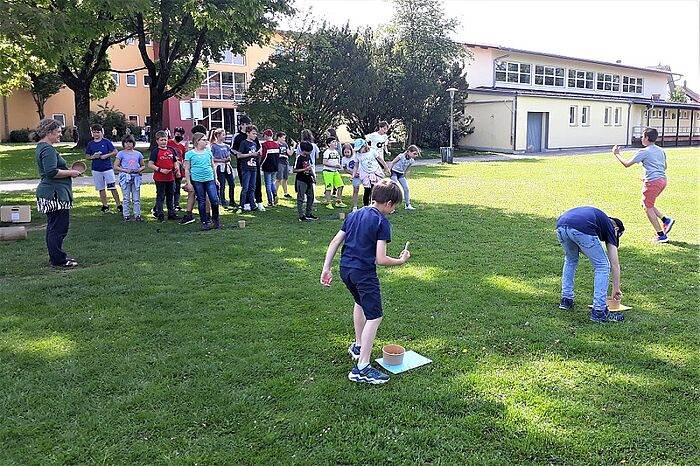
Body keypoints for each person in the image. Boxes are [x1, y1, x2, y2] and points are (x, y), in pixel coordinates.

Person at [320, 180, 411, 384]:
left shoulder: (354, 215)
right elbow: (381, 259)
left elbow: (335, 241)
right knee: (375, 316)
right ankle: (362, 368)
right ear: (388, 203)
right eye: (394, 206)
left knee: (360, 303)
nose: (393, 209)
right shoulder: (381, 222)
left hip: (346, 270)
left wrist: (326, 268)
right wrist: (401, 260)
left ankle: (359, 346)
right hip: (364, 273)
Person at [556, 206, 625, 323]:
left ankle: (566, 300)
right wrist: (616, 289)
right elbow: (615, 264)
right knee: (602, 265)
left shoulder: (600, 220)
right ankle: (599, 311)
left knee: (571, 259)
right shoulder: (610, 227)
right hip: (581, 227)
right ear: (617, 229)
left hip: (561, 225)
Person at [613, 127, 675, 243]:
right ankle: (666, 220)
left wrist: (617, 154)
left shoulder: (644, 152)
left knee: (648, 207)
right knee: (645, 203)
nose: (641, 138)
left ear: (646, 138)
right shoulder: (661, 150)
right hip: (662, 180)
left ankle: (661, 235)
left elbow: (627, 164)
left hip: (653, 182)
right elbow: (664, 167)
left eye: (642, 136)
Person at [34, 119, 81, 267]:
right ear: (48, 132)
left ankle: (56, 257)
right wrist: (71, 172)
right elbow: (51, 172)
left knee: (54, 227)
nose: (60, 135)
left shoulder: (42, 147)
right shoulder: (47, 149)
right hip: (54, 194)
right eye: (58, 132)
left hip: (52, 192)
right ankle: (59, 260)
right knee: (58, 228)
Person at [184, 132, 221, 230]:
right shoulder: (190, 154)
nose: (206, 142)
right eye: (204, 140)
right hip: (197, 181)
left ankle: (216, 220)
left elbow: (213, 166)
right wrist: (189, 183)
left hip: (209, 179)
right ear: (197, 141)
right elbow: (187, 169)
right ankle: (204, 222)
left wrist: (216, 179)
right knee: (201, 200)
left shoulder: (208, 152)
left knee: (214, 199)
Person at [86, 124, 122, 214]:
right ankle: (105, 205)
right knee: (101, 188)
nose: (96, 134)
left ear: (102, 132)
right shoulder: (90, 144)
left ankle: (119, 205)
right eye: (94, 132)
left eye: (98, 132)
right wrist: (93, 156)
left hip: (107, 168)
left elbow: (115, 151)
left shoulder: (106, 142)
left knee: (112, 187)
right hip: (96, 169)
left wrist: (106, 155)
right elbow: (87, 156)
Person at [148, 130, 180, 222]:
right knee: (161, 196)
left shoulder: (171, 150)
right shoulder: (155, 151)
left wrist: (176, 168)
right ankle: (160, 213)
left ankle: (171, 213)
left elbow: (175, 161)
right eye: (161, 140)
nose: (163, 142)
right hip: (160, 178)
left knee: (171, 196)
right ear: (157, 141)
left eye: (165, 140)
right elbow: (150, 164)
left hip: (170, 177)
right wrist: (160, 170)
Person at [114, 134, 145, 222]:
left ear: (133, 143)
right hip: (125, 178)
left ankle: (137, 215)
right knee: (126, 198)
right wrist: (125, 170)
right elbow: (116, 166)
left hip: (136, 177)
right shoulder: (121, 154)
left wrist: (139, 169)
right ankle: (126, 215)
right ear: (123, 144)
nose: (128, 144)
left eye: (130, 142)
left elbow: (143, 165)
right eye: (126, 143)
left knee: (136, 198)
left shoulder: (138, 154)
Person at [352, 138, 389, 207]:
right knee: (367, 190)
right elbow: (356, 166)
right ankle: (366, 207)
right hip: (365, 173)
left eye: (360, 149)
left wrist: (387, 168)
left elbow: (380, 160)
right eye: (358, 149)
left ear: (364, 146)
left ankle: (375, 205)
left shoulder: (372, 151)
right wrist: (353, 175)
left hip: (375, 171)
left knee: (375, 189)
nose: (359, 151)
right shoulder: (357, 154)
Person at [210, 128, 236, 209]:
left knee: (232, 183)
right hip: (219, 167)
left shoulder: (226, 146)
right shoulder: (213, 146)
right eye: (223, 135)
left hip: (227, 166)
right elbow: (212, 158)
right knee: (222, 184)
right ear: (217, 135)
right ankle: (222, 200)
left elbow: (228, 155)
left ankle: (232, 200)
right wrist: (220, 160)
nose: (224, 136)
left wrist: (228, 158)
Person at [237, 124, 261, 212]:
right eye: (253, 133)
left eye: (256, 134)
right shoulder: (243, 143)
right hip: (246, 168)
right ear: (248, 133)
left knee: (252, 188)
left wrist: (258, 156)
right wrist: (251, 154)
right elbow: (239, 155)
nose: (255, 135)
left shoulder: (254, 143)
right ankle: (241, 205)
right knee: (245, 188)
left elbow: (255, 155)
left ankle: (253, 205)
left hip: (253, 168)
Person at [388, 145, 420, 210]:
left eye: (416, 154)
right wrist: (389, 171)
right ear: (408, 152)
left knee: (406, 188)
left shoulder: (411, 161)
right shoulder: (401, 156)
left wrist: (405, 176)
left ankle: (407, 205)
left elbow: (407, 169)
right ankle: (391, 206)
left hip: (401, 173)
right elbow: (392, 163)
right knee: (395, 188)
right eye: (414, 153)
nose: (415, 155)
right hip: (394, 171)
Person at [294, 141, 318, 222]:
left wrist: (313, 176)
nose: (310, 152)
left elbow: (310, 167)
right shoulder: (299, 158)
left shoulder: (308, 157)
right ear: (303, 150)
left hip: (309, 180)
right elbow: (294, 170)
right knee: (300, 198)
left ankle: (309, 213)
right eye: (309, 151)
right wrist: (304, 169)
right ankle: (301, 215)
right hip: (301, 180)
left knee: (311, 197)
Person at [295, 129, 320, 204]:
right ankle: (313, 197)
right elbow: (317, 156)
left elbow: (297, 155)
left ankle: (304, 197)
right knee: (312, 181)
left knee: (303, 181)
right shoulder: (314, 145)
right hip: (311, 165)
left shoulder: (300, 145)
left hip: (302, 166)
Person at [322, 137, 346, 209]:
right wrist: (333, 165)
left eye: (335, 141)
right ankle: (328, 203)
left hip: (335, 171)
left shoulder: (336, 152)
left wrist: (338, 165)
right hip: (328, 172)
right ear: (329, 144)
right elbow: (324, 162)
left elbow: (337, 161)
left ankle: (338, 201)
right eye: (333, 142)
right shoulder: (327, 152)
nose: (335, 143)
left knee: (340, 185)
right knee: (329, 187)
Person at [168, 127, 187, 211]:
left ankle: (176, 204)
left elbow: (184, 158)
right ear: (174, 134)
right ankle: (170, 205)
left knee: (177, 187)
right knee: (172, 188)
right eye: (178, 134)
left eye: (181, 135)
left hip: (179, 169)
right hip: (171, 168)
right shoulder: (169, 143)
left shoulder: (182, 146)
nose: (179, 136)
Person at [260, 128, 280, 207]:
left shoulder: (265, 145)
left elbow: (264, 156)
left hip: (267, 166)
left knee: (267, 184)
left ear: (266, 136)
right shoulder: (276, 144)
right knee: (272, 182)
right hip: (275, 166)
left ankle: (270, 201)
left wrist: (260, 164)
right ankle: (275, 195)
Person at [341, 143, 361, 211]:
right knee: (356, 189)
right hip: (354, 175)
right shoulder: (344, 159)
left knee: (368, 188)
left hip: (362, 173)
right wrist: (353, 174)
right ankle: (355, 206)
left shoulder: (356, 156)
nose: (347, 154)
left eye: (348, 152)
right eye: (345, 152)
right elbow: (345, 169)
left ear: (351, 151)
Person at [275, 131, 295, 199]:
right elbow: (275, 154)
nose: (284, 139)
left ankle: (286, 193)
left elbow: (289, 153)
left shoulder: (285, 144)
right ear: (279, 137)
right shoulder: (276, 144)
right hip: (279, 163)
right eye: (283, 138)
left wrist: (294, 146)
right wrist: (282, 155)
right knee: (278, 179)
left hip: (285, 163)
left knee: (285, 178)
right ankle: (275, 194)